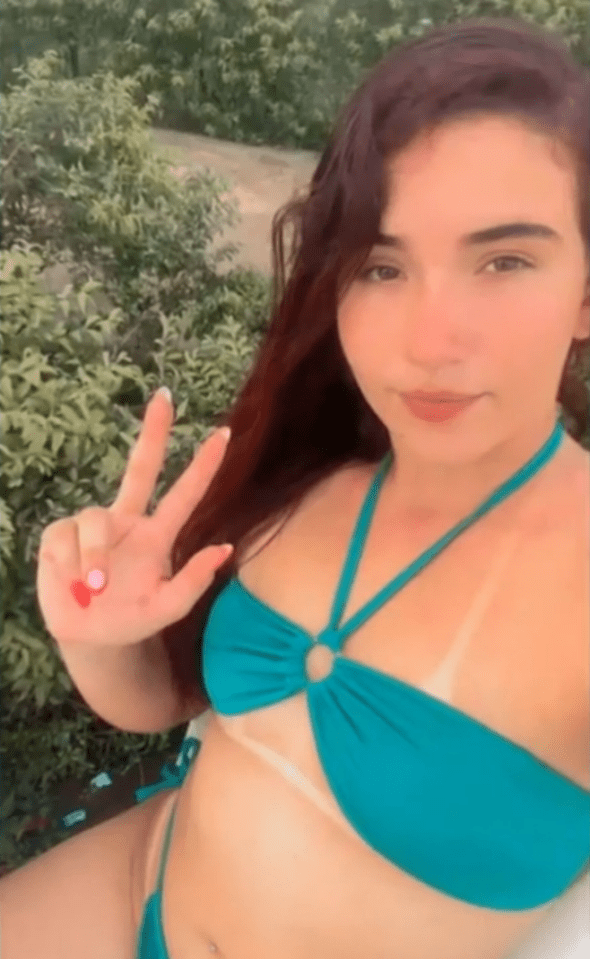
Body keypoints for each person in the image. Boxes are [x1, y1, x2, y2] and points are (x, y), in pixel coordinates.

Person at [1, 13, 588, 959]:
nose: (431, 339)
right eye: (382, 266)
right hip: (135, 888)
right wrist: (98, 638)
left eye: (504, 260)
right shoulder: (306, 480)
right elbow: (167, 702)